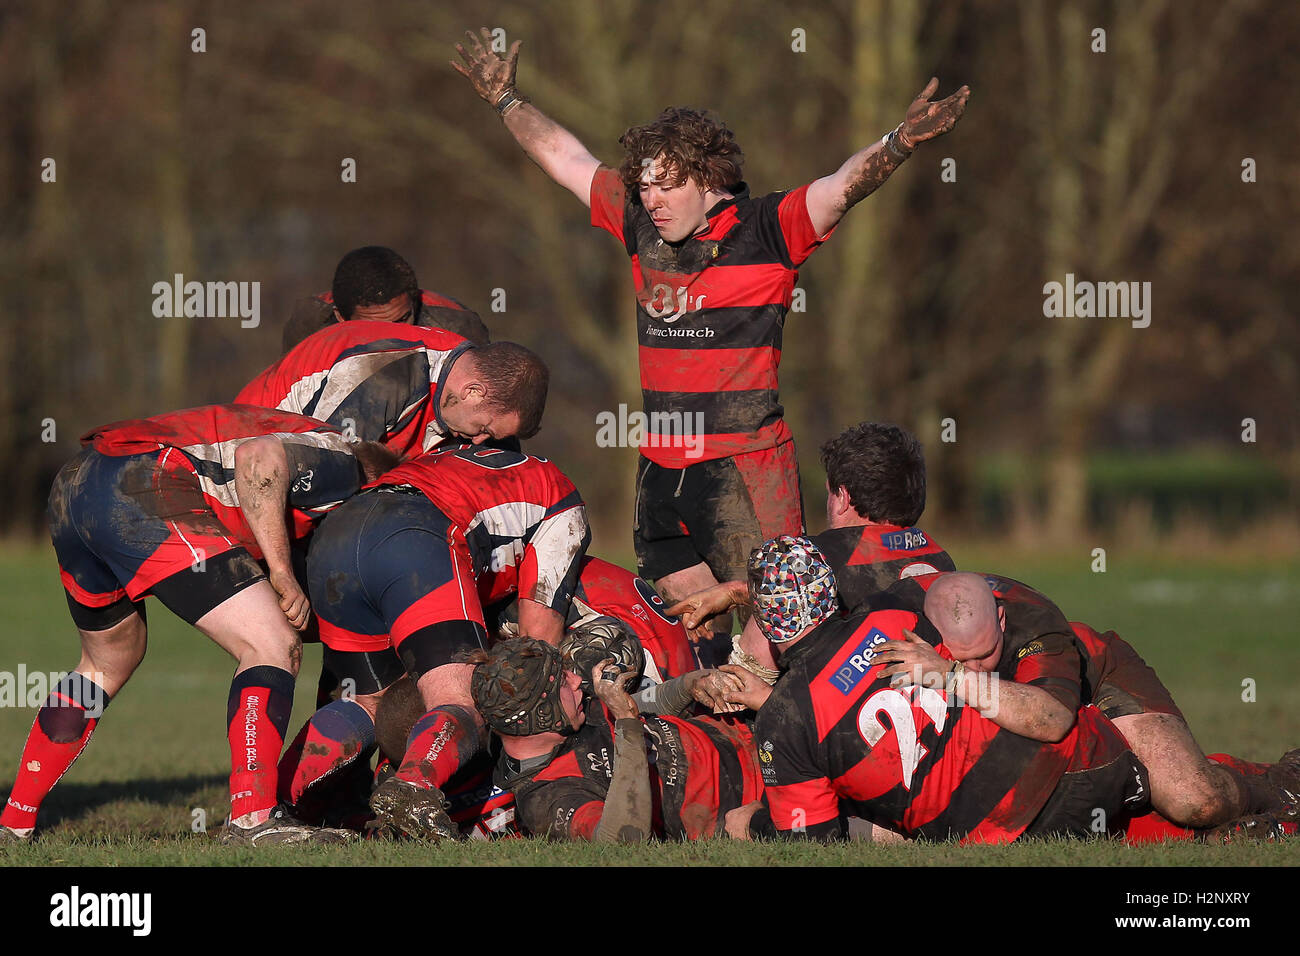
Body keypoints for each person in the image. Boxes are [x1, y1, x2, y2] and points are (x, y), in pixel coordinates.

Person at [453, 31, 970, 665]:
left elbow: (841, 186)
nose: (652, 199)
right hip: (662, 472)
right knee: (696, 645)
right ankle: (718, 758)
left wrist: (901, 141)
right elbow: (565, 157)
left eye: (667, 185)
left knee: (781, 634)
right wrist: (506, 99)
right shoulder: (642, 225)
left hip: (745, 470)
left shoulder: (769, 229)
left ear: (709, 178)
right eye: (644, 186)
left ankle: (813, 744)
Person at [0, 405, 394, 846]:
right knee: (271, 644)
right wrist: (282, 573)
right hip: (142, 480)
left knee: (106, 660)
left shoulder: (292, 432)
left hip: (75, 484)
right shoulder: (345, 464)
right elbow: (257, 458)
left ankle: (14, 822)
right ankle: (253, 819)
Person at [740, 536, 1149, 843]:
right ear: (828, 589)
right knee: (1162, 815)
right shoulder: (892, 614)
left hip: (1004, 825)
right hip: (1089, 760)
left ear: (765, 619)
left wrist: (754, 824)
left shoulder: (783, 719)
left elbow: (814, 844)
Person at [280, 443, 590, 841]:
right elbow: (534, 659)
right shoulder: (563, 503)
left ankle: (275, 805)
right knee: (461, 699)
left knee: (368, 705)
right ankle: (413, 787)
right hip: (414, 536)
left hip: (339, 534)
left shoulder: (446, 461)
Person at [876, 571, 1300, 834]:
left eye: (985, 654)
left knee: (1194, 799)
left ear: (1001, 619)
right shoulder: (899, 616)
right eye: (960, 657)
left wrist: (952, 675)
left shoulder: (1037, 624)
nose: (977, 667)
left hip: (1092, 679)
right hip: (1015, 701)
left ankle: (1280, 781)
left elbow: (1051, 718)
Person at [668, 422, 954, 683]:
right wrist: (738, 592)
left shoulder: (809, 560)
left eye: (830, 493)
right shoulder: (941, 560)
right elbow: (867, 586)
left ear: (843, 498)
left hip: (837, 728)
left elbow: (743, 684)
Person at [468, 637, 762, 841]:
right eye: (562, 681)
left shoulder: (574, 716)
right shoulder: (545, 798)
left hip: (754, 730)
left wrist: (693, 684)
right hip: (756, 793)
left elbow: (650, 702)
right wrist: (626, 722)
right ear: (540, 715)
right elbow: (623, 840)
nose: (576, 681)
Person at [237, 320, 547, 459]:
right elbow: (327, 473)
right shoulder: (390, 374)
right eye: (485, 429)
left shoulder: (461, 374)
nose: (479, 440)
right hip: (231, 473)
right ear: (473, 392)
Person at [282, 245, 490, 353]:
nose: (392, 337)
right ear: (341, 318)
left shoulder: (457, 327)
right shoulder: (310, 324)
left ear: (414, 301)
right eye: (373, 327)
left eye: (401, 320)